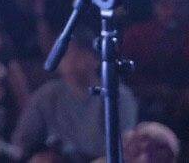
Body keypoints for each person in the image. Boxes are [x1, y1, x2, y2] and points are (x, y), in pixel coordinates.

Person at [11, 32, 136, 160]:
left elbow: (123, 145)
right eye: (63, 53)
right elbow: (23, 141)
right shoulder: (47, 95)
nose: (68, 59)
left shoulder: (117, 95)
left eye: (77, 53)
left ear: (95, 59)